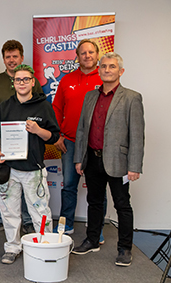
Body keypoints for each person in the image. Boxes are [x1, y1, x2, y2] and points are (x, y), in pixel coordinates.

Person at [72, 52, 145, 267]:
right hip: (93, 159)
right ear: (99, 70)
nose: (107, 70)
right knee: (94, 202)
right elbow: (82, 130)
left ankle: (124, 248)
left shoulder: (132, 97)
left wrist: (134, 166)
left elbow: (137, 135)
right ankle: (92, 240)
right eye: (103, 66)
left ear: (120, 71)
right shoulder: (90, 97)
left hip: (119, 162)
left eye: (112, 67)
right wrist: (79, 159)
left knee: (122, 205)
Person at [0, 64, 60, 264]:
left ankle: (43, 247)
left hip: (34, 170)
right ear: (13, 83)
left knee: (40, 212)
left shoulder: (43, 106)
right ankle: (12, 247)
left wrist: (38, 130)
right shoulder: (3, 107)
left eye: (26, 79)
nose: (22, 83)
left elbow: (54, 136)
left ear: (32, 82)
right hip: (9, 169)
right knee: (9, 212)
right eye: (18, 79)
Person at [0, 40, 43, 236]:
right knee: (0, 180)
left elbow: (41, 109)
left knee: (26, 185)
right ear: (3, 59)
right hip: (3, 146)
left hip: (29, 147)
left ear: (21, 57)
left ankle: (27, 221)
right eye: (7, 57)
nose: (11, 60)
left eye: (14, 56)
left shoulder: (34, 82)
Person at [52, 39, 107, 243]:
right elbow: (56, 108)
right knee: (69, 186)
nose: (87, 56)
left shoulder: (104, 79)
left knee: (97, 189)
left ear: (97, 54)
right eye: (83, 53)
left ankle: (97, 229)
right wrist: (58, 135)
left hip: (96, 145)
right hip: (70, 141)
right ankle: (66, 224)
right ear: (77, 56)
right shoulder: (67, 80)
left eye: (91, 52)